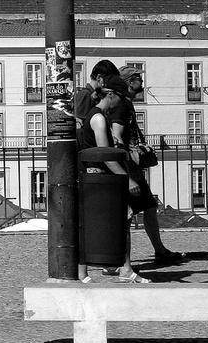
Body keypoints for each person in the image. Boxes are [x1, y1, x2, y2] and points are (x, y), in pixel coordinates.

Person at [110, 66, 184, 268]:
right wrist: (127, 164)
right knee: (127, 215)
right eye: (137, 79)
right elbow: (116, 135)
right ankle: (118, 262)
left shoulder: (126, 105)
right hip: (128, 168)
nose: (141, 83)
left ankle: (158, 251)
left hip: (130, 166)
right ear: (129, 82)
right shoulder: (122, 106)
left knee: (149, 207)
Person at [78, 82, 149, 283]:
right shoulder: (99, 118)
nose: (123, 99)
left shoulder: (99, 116)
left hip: (99, 175)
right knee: (116, 221)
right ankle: (121, 268)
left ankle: (112, 268)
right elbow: (105, 154)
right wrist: (126, 180)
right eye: (121, 95)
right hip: (101, 176)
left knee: (96, 224)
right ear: (110, 95)